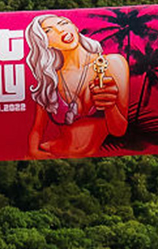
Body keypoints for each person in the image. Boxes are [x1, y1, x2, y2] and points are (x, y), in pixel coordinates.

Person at [24, 12, 130, 160]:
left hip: (93, 162)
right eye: (49, 31)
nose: (61, 30)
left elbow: (119, 130)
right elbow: (37, 129)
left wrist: (110, 106)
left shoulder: (111, 64)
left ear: (74, 27)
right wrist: (33, 152)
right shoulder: (50, 79)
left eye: (63, 24)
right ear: (44, 42)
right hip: (55, 156)